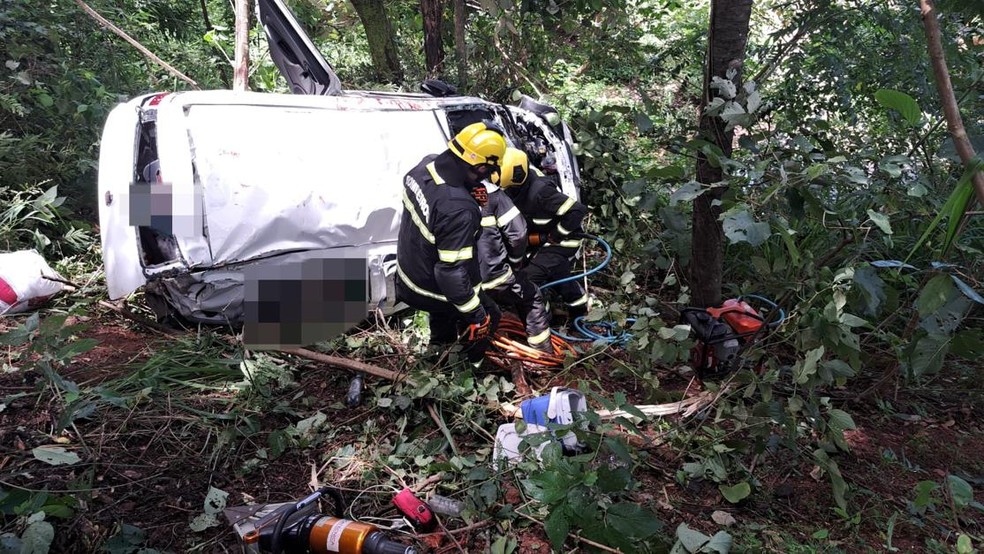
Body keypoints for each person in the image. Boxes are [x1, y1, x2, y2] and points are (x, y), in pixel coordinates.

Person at [395, 121, 507, 368]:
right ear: (479, 166)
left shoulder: (424, 167)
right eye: (487, 171)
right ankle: (470, 367)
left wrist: (470, 188)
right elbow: (450, 272)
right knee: (491, 315)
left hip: (409, 275)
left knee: (443, 321)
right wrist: (476, 315)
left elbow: (434, 207)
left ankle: (438, 353)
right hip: (433, 289)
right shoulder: (458, 210)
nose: (488, 177)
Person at [498, 147, 589, 324]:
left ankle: (542, 320)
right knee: (558, 273)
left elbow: (577, 210)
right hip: (540, 241)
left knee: (529, 277)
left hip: (563, 242)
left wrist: (555, 235)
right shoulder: (514, 184)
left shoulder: (540, 192)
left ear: (516, 177)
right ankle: (580, 310)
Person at [476, 168, 553, 354]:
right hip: (494, 276)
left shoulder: (451, 192)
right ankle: (543, 354)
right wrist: (515, 262)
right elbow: (518, 235)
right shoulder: (494, 195)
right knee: (531, 296)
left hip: (464, 278)